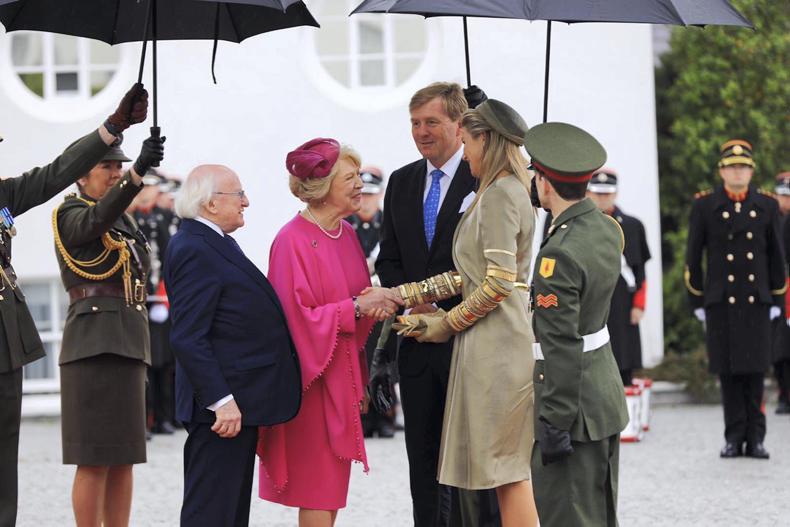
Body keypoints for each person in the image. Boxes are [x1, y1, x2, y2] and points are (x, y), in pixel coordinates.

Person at [0, 82, 147, 527]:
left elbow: (58, 171)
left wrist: (114, 126)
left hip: (5, 340)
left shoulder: (3, 196)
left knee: (4, 458)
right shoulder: (71, 213)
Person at [393, 99, 538, 527]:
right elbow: (469, 276)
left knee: (505, 471)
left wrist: (445, 324)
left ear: (485, 140)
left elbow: (497, 283)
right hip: (490, 339)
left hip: (496, 342)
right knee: (501, 470)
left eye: (468, 141)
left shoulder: (499, 194)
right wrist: (404, 293)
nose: (465, 151)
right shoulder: (499, 190)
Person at [374, 82, 500, 527]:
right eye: (415, 123)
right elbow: (388, 259)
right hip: (417, 344)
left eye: (431, 122)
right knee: (424, 464)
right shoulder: (401, 181)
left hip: (470, 339)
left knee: (476, 466)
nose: (421, 132)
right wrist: (414, 306)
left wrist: (442, 308)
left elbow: (492, 265)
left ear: (459, 124)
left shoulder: (484, 177)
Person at [257, 138, 401, 527]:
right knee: (318, 488)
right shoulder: (291, 240)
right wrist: (357, 307)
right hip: (311, 381)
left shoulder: (347, 233)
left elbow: (355, 307)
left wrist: (375, 305)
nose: (359, 185)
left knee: (332, 488)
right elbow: (293, 321)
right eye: (350, 178)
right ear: (323, 187)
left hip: (342, 375)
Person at [164, 164, 301, 527]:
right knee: (211, 514)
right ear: (211, 203)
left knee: (229, 513)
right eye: (239, 194)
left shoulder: (213, 241)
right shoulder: (195, 247)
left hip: (236, 404)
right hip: (219, 411)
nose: (246, 202)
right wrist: (221, 401)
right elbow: (188, 336)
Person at [53, 128, 165, 527]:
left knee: (124, 457)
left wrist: (131, 179)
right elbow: (95, 221)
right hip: (93, 345)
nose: (116, 172)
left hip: (129, 341)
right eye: (107, 166)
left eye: (120, 166)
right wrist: (136, 174)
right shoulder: (71, 213)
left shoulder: (123, 218)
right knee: (94, 458)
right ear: (81, 174)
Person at [526, 122, 629, 527]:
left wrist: (555, 418)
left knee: (569, 516)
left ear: (544, 182)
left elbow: (561, 344)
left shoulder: (559, 255)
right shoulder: (605, 228)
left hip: (573, 407)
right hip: (602, 396)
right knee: (599, 513)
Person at [685, 139, 786, 459]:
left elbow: (776, 258)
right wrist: (697, 300)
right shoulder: (705, 205)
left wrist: (777, 300)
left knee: (755, 372)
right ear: (722, 171)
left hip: (756, 301)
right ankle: (733, 436)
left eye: (743, 167)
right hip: (722, 301)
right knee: (728, 373)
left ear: (752, 171)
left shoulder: (767, 205)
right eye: (732, 168)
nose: (738, 172)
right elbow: (693, 256)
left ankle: (756, 438)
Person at [587, 168, 651, 386]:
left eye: (606, 193)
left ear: (615, 194)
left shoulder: (633, 226)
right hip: (591, 301)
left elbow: (640, 271)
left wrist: (639, 305)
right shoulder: (579, 224)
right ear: (588, 193)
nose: (602, 198)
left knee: (623, 360)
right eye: (597, 193)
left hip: (623, 302)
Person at [346, 166, 396, 438]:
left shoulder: (389, 223)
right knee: (359, 357)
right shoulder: (345, 224)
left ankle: (385, 413)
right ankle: (363, 416)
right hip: (355, 302)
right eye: (362, 194)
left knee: (383, 355)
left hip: (383, 301)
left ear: (380, 194)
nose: (365, 200)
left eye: (371, 194)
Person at [132, 171, 177, 435]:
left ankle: (163, 417)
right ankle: (147, 419)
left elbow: (166, 258)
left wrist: (163, 295)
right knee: (145, 365)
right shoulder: (132, 218)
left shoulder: (158, 219)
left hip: (157, 299)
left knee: (163, 362)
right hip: (139, 300)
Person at [772, 172, 790, 415]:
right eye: (783, 195)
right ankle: (784, 394)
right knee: (779, 349)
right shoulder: (770, 217)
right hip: (778, 289)